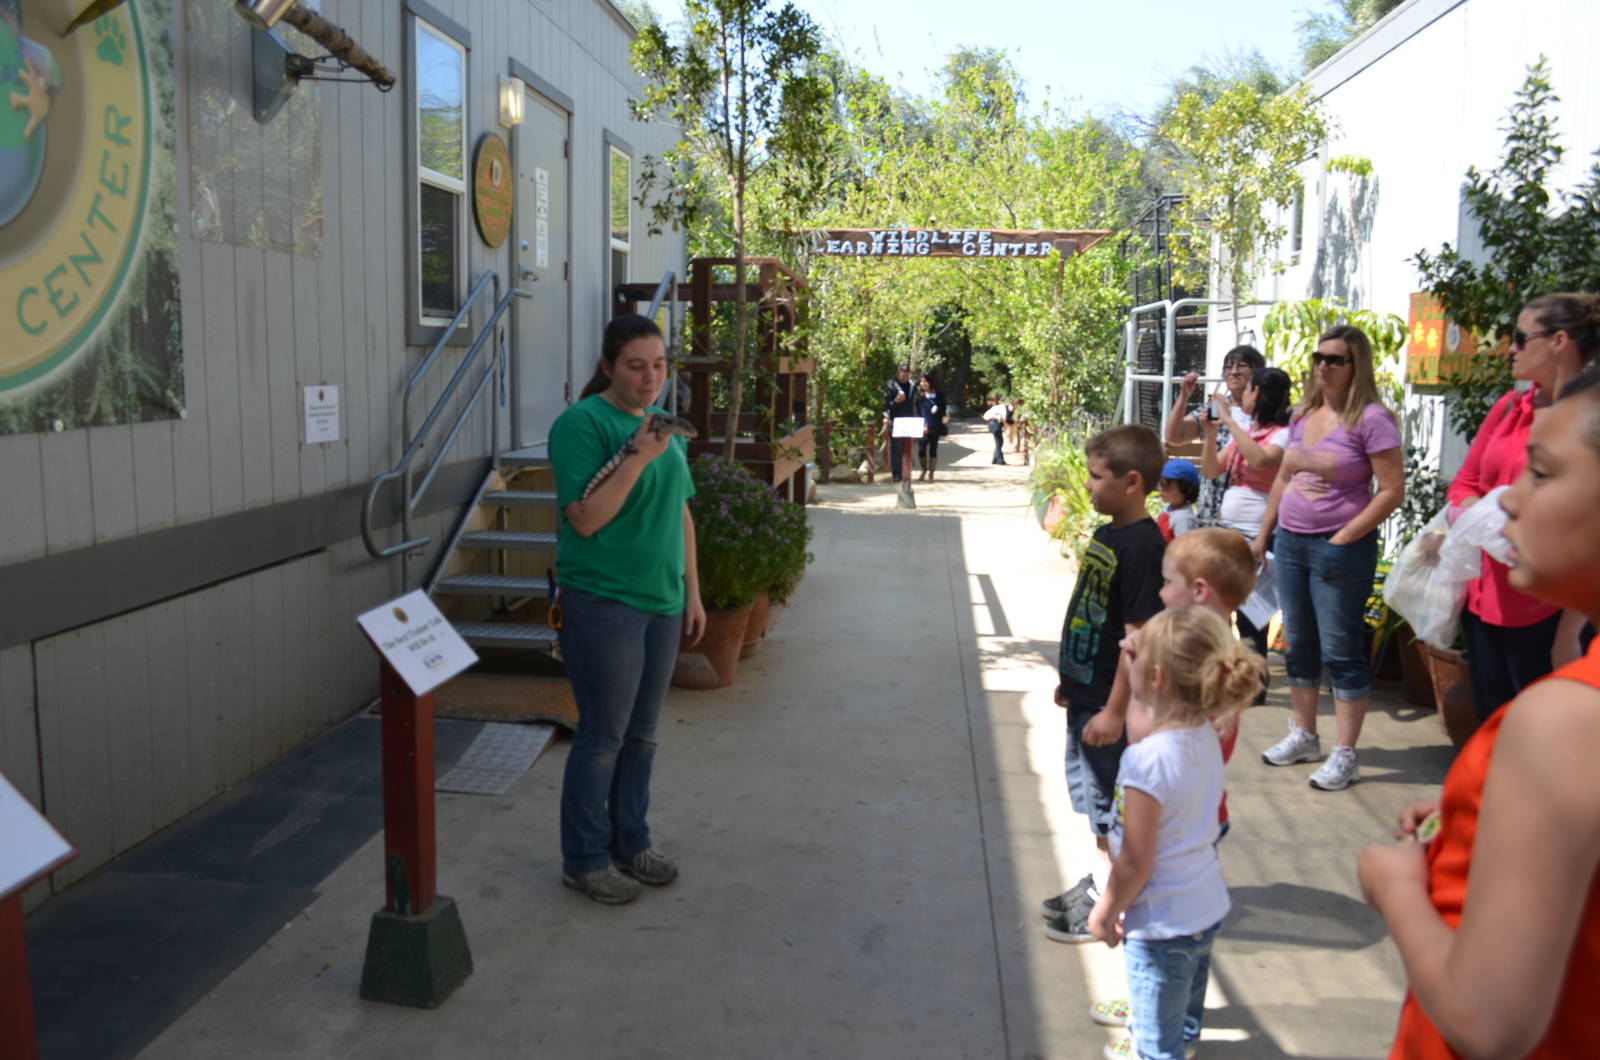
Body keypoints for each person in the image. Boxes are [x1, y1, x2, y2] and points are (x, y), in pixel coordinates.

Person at [1358, 373, 1600, 1059]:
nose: (1508, 501)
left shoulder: (1566, 719)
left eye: (1543, 475)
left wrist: (1396, 885)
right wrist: (1480, 811)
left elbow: (1489, 1020)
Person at [548, 314, 707, 904]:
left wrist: (692, 591)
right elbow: (585, 519)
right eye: (636, 366)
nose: (650, 378)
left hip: (663, 602)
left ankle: (630, 841)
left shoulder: (662, 429)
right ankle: (584, 858)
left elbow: (682, 514)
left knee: (642, 735)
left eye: (659, 366)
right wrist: (637, 456)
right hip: (605, 602)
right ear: (607, 367)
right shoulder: (581, 425)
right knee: (603, 735)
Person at [1078, 529, 1259, 1037]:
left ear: (1157, 680)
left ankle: (1157, 1032)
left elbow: (1138, 859)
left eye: (1165, 583)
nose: (1158, 593)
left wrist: (1106, 909)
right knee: (1190, 968)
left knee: (1156, 1026)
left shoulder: (1148, 762)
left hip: (1162, 911)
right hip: (1203, 890)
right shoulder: (1202, 716)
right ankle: (1180, 1025)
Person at [1252, 325, 1403, 791]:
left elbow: (1392, 491)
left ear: (1356, 366)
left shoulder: (1373, 419)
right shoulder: (1304, 414)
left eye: (1335, 359)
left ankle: (1346, 753)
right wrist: (1264, 536)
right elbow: (1282, 479)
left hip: (1339, 548)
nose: (1323, 366)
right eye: (1320, 357)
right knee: (1299, 644)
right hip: (1292, 543)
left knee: (1341, 651)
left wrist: (1345, 536)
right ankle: (1304, 735)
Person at [1447, 293, 1600, 721]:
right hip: (1485, 599)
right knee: (1491, 730)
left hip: (1549, 611)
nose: (1510, 349)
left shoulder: (1589, 419)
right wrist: (1486, 513)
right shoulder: (1509, 408)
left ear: (1559, 341)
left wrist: (1569, 631)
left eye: (1518, 337)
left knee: (1546, 736)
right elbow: (1463, 484)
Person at [1042, 426, 1166, 943]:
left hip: (1105, 704)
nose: (1088, 486)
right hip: (1085, 691)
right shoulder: (1108, 533)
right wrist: (1069, 677)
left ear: (1131, 481)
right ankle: (1100, 878)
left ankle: (1111, 903)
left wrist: (1116, 710)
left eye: (1096, 477)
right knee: (1090, 795)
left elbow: (1135, 639)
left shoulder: (1142, 547)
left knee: (1108, 798)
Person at [1200, 365, 1292, 664]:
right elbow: (1213, 469)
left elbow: (1262, 460)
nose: (1243, 396)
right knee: (1219, 604)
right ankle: (1226, 669)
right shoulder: (1248, 432)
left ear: (1260, 394)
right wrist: (1213, 435)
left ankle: (1254, 681)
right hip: (1229, 530)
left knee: (1252, 614)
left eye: (1250, 388)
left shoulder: (1282, 434)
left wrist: (1230, 420)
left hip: (1257, 534)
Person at [1164, 346, 1267, 527]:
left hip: (1249, 515)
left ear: (1257, 372)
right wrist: (1183, 397)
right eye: (1228, 367)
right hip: (1210, 510)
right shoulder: (1215, 409)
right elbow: (1174, 436)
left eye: (1242, 366)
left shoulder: (1265, 416)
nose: (1233, 372)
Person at [883, 365, 920, 481]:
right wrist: (896, 401)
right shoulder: (891, 385)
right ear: (898, 373)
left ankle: (906, 473)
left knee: (908, 447)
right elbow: (886, 405)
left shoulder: (913, 386)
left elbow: (916, 404)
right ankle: (897, 474)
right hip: (896, 421)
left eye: (906, 374)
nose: (904, 377)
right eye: (902, 374)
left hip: (910, 420)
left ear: (909, 374)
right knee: (896, 448)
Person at [1155, 459, 1200, 542]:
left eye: (1168, 486)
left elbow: (1182, 549)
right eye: (1161, 484)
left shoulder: (1183, 519)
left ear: (1187, 489)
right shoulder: (1167, 508)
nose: (1162, 490)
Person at [916, 371, 947, 481]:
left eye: (925, 381)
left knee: (933, 450)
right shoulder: (919, 395)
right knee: (921, 450)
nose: (923, 384)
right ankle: (923, 470)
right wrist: (923, 425)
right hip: (922, 427)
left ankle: (931, 473)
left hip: (935, 426)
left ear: (930, 382)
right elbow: (917, 412)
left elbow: (944, 410)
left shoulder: (938, 394)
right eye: (921, 381)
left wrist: (938, 409)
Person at [983, 395, 1009, 465]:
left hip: (993, 425)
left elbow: (985, 416)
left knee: (999, 442)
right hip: (997, 425)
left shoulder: (993, 408)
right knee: (999, 442)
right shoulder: (1001, 408)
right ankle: (1000, 460)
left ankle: (995, 459)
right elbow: (1004, 418)